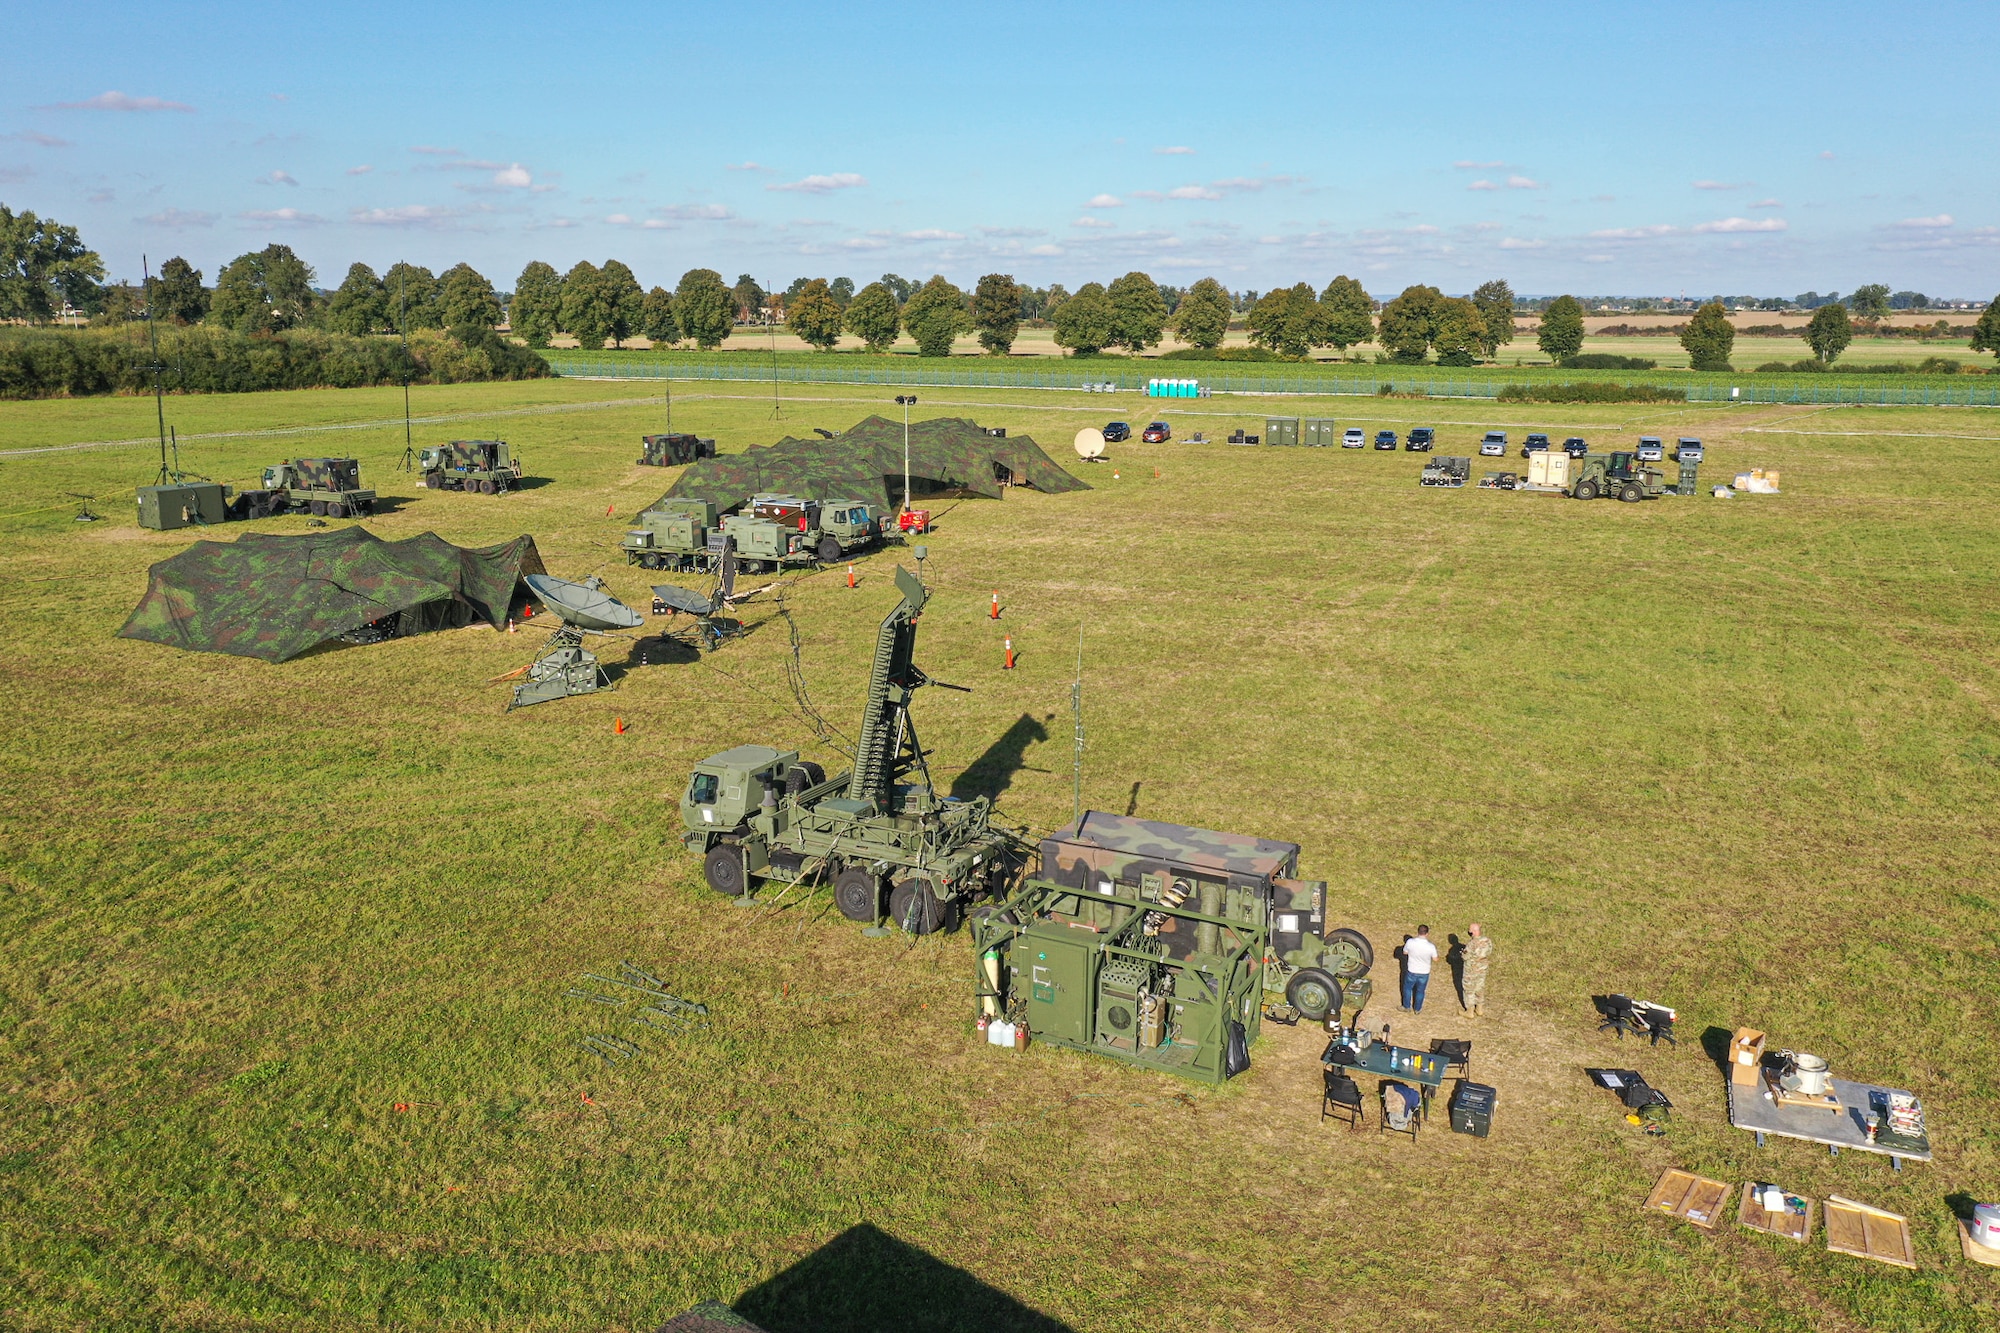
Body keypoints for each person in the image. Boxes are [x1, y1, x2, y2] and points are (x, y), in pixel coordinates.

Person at [1401, 925, 1437, 1012]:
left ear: (1418, 932)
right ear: (1427, 934)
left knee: (1407, 988)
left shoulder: (1410, 942)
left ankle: (1406, 1006)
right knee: (1421, 991)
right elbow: (1435, 959)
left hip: (1412, 970)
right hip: (1424, 972)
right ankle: (1417, 1009)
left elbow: (1405, 952)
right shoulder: (1431, 946)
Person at [1462, 922, 1495, 1017]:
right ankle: (1479, 1008)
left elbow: (1465, 956)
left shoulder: (1471, 944)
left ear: (1472, 932)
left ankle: (1469, 1011)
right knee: (1480, 987)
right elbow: (1489, 951)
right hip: (1482, 968)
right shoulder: (1487, 940)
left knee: (1469, 989)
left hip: (1471, 970)